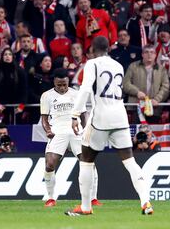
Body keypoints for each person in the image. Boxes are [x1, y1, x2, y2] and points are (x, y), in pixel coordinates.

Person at [65, 36, 153, 216]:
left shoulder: (92, 64)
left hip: (101, 117)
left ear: (91, 50)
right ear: (108, 49)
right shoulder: (118, 66)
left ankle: (86, 207)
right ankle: (146, 202)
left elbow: (86, 89)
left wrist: (75, 114)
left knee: (86, 161)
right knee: (130, 161)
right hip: (120, 116)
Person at [40, 68, 101, 207]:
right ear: (54, 82)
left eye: (64, 85)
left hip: (76, 131)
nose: (62, 87)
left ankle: (93, 198)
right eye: (59, 85)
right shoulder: (46, 96)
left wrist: (86, 131)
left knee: (88, 162)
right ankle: (50, 198)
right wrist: (48, 130)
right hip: (58, 131)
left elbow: (84, 115)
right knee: (49, 164)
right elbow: (44, 118)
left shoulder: (77, 94)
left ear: (68, 82)